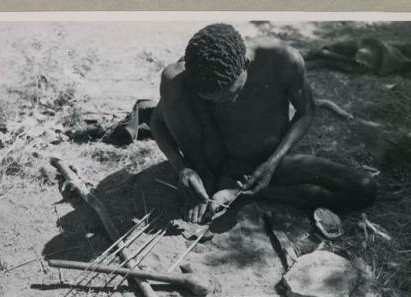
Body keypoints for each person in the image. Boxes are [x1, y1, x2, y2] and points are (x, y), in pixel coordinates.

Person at [149, 23, 376, 223]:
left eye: (232, 94)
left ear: (246, 63)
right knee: (171, 79)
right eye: (214, 100)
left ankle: (242, 192)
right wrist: (183, 168)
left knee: (364, 188)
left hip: (263, 162)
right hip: (211, 164)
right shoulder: (186, 75)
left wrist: (272, 164)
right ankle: (219, 183)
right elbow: (157, 123)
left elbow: (306, 111)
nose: (226, 103)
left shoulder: (282, 59)